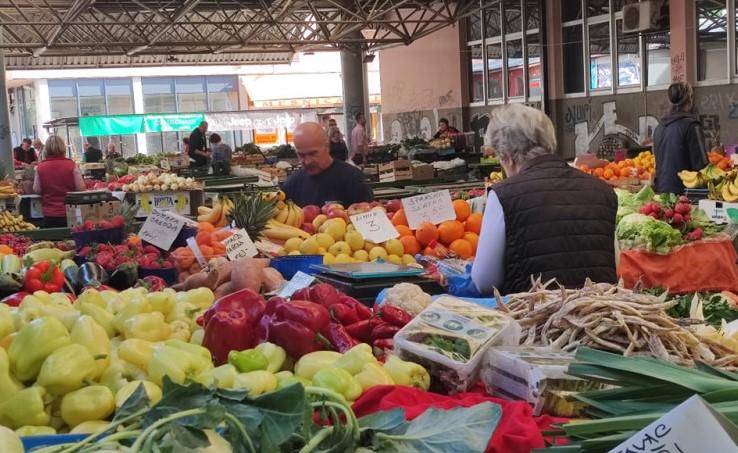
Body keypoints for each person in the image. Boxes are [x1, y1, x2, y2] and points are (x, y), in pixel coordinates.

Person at [470, 104, 618, 296]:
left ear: (507, 156)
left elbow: (484, 281)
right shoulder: (603, 191)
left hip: (536, 319)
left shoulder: (503, 195)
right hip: (600, 317)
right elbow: (614, 264)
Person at [282, 122, 373, 207]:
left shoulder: (353, 179)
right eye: (301, 155)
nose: (307, 161)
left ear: (327, 147)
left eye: (313, 154)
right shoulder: (293, 184)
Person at [653, 82, 708, 194]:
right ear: (690, 99)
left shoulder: (659, 127)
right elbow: (701, 165)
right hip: (686, 194)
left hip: (662, 192)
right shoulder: (692, 126)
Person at [33, 135, 86, 228]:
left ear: (46, 149)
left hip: (49, 213)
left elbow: (37, 190)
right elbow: (81, 188)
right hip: (71, 212)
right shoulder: (71, 165)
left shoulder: (40, 167)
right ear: (63, 148)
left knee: (52, 241)